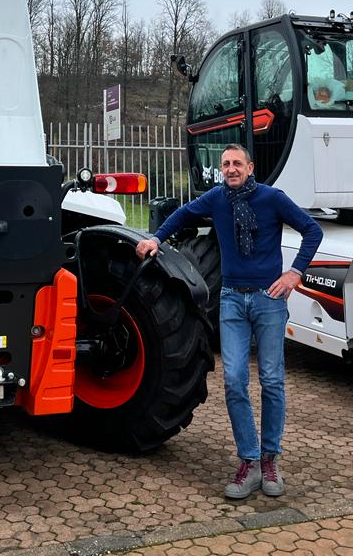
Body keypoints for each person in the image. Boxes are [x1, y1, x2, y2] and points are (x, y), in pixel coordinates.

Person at [135, 143, 323, 500]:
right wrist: (156, 238)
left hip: (269, 299)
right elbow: (182, 215)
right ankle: (249, 462)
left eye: (237, 163)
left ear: (250, 167)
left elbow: (312, 230)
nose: (231, 168)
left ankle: (270, 459)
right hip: (232, 299)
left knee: (271, 380)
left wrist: (295, 274)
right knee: (234, 380)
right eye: (226, 164)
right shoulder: (216, 199)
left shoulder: (272, 198)